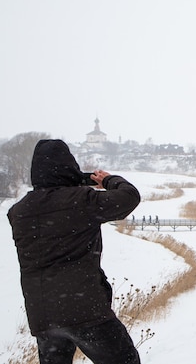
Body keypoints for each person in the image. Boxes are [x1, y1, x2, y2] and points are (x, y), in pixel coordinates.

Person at [7, 139, 142, 364]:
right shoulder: (81, 201)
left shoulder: (18, 212)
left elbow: (52, 200)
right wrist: (109, 180)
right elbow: (129, 197)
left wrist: (76, 181)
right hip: (85, 311)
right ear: (69, 167)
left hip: (43, 316)